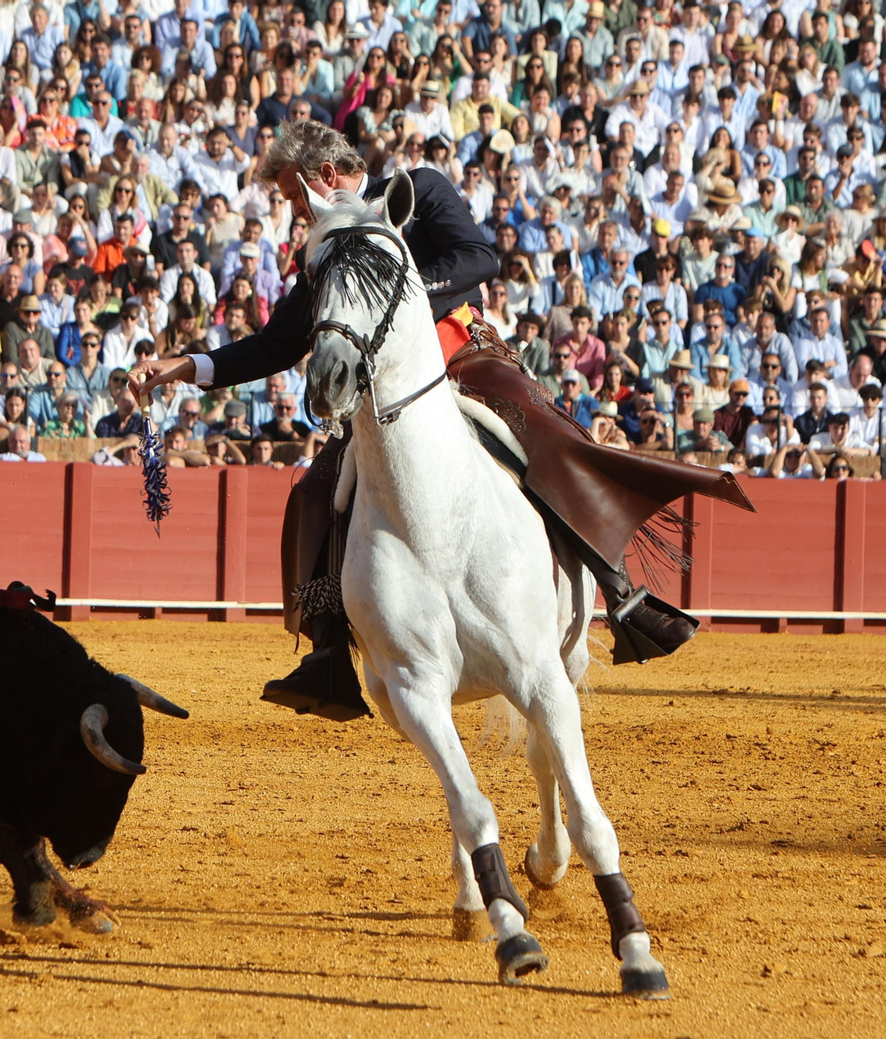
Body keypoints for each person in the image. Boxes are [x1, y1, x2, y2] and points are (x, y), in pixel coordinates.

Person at [126, 120, 750, 723]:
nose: (293, 210)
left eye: (294, 194)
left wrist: (392, 291)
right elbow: (276, 344)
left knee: (545, 435)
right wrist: (182, 367)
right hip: (382, 397)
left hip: (465, 356)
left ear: (325, 175)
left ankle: (621, 591)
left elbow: (477, 259)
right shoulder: (323, 249)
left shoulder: (418, 191)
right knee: (316, 492)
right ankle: (328, 649)